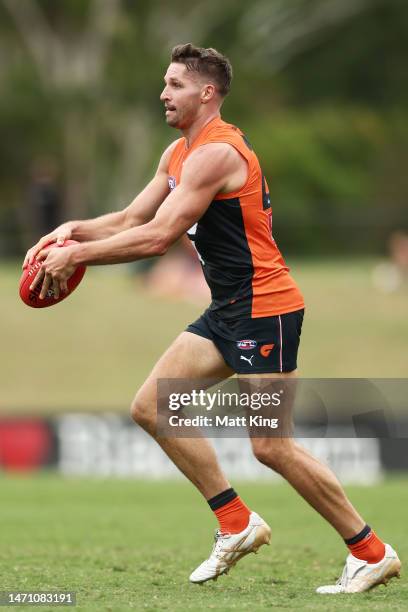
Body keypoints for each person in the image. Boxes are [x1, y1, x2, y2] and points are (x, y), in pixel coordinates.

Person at [24, 43, 401, 594]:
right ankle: (236, 521)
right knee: (152, 406)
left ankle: (370, 552)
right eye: (164, 83)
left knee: (271, 445)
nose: (163, 93)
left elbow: (157, 237)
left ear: (206, 93)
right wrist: (73, 232)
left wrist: (76, 258)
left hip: (266, 310)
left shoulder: (217, 154)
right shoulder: (178, 154)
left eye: (174, 84)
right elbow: (132, 217)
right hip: (228, 310)